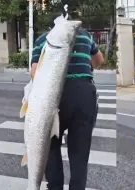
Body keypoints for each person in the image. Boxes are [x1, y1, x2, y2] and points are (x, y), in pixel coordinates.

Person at [30, 15, 104, 190]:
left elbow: (34, 73)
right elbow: (99, 60)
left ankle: (55, 186)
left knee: (51, 148)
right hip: (84, 95)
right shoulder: (85, 36)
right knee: (79, 153)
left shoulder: (43, 40)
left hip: (54, 96)